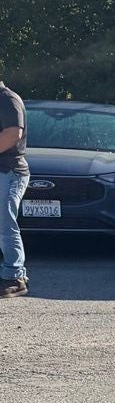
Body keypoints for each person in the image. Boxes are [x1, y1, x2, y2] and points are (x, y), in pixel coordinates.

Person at [0, 72, 27, 297]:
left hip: (8, 172)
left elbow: (13, 134)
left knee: (4, 223)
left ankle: (15, 276)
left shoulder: (7, 99)